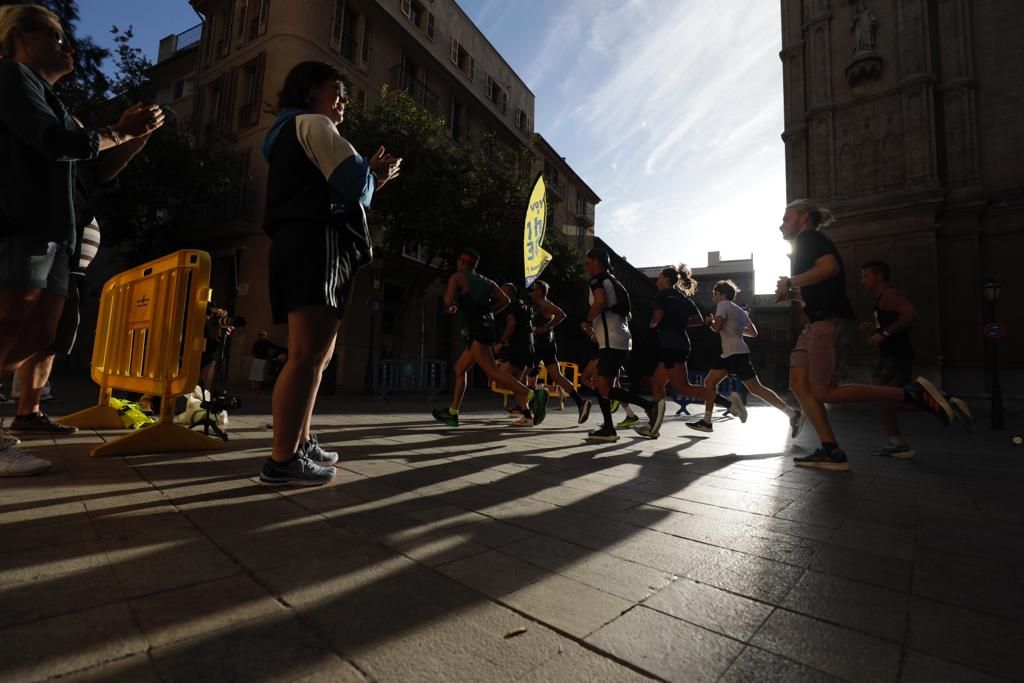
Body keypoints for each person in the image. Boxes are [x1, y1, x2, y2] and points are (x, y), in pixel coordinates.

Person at [0, 4, 162, 476]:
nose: (68, 46)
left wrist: (131, 142)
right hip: (23, 223)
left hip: (57, 234)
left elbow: (90, 178)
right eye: (55, 35)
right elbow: (56, 144)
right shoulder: (11, 77)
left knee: (39, 333)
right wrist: (115, 130)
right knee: (11, 323)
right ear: (21, 38)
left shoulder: (57, 104)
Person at [257, 61, 400, 486]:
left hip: (301, 242)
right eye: (336, 90)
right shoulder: (314, 124)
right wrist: (373, 175)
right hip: (315, 242)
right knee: (307, 356)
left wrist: (370, 177)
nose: (343, 101)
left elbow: (344, 185)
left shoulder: (289, 131)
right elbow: (353, 185)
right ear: (310, 90)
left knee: (317, 356)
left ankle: (299, 442)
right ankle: (283, 459)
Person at [776, 199, 972, 470]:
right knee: (798, 382)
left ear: (804, 217)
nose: (781, 224)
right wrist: (793, 292)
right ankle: (830, 451)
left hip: (828, 323)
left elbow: (829, 268)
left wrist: (791, 282)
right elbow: (821, 283)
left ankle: (913, 395)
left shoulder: (810, 237)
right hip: (816, 324)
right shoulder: (806, 242)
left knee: (825, 392)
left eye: (786, 218)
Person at [8, 120, 155, 437]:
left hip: (68, 258)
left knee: (50, 337)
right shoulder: (40, 121)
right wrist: (119, 132)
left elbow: (98, 176)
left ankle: (29, 412)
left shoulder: (79, 172)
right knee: (19, 331)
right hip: (42, 244)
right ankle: (26, 410)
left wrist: (129, 146)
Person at [432, 248, 548, 428]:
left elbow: (447, 302)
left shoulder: (458, 277)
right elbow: (505, 301)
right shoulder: (487, 281)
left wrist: (452, 307)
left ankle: (533, 395)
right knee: (460, 368)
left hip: (476, 329)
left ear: (461, 262)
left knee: (493, 372)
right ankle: (453, 413)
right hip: (485, 328)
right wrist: (488, 311)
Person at [686, 280, 802, 434]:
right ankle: (707, 422)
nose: (713, 296)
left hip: (733, 353)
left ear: (722, 294)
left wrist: (709, 322)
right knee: (714, 383)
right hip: (734, 353)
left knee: (752, 388)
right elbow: (753, 332)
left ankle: (793, 414)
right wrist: (736, 331)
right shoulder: (740, 310)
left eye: (715, 293)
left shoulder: (723, 305)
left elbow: (717, 327)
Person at [639, 265, 736, 435]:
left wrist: (653, 324)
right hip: (681, 345)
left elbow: (657, 317)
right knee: (657, 382)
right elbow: (699, 320)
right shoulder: (684, 299)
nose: (658, 279)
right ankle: (653, 426)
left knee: (683, 388)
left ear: (667, 279)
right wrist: (681, 323)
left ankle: (730, 404)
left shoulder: (662, 294)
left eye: (660, 276)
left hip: (671, 346)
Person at [582, 248, 665, 442]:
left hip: (611, 341)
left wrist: (587, 321)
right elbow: (627, 314)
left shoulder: (597, 280)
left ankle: (643, 409)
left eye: (588, 261)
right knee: (605, 387)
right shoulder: (616, 282)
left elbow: (600, 301)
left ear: (598, 262)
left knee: (602, 387)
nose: (586, 265)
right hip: (620, 339)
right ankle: (614, 424)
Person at [528, 280, 591, 423]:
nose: (531, 291)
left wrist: (546, 327)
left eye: (534, 289)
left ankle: (532, 406)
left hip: (541, 345)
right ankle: (580, 402)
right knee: (555, 377)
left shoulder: (544, 303)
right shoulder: (536, 305)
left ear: (540, 291)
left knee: (527, 374)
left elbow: (561, 314)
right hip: (546, 345)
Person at [495, 283, 534, 384]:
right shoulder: (523, 305)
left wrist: (501, 342)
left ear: (505, 293)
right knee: (519, 383)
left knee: (498, 378)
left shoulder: (510, 306)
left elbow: (511, 324)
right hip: (529, 347)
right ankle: (530, 394)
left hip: (517, 348)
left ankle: (533, 393)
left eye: (500, 291)